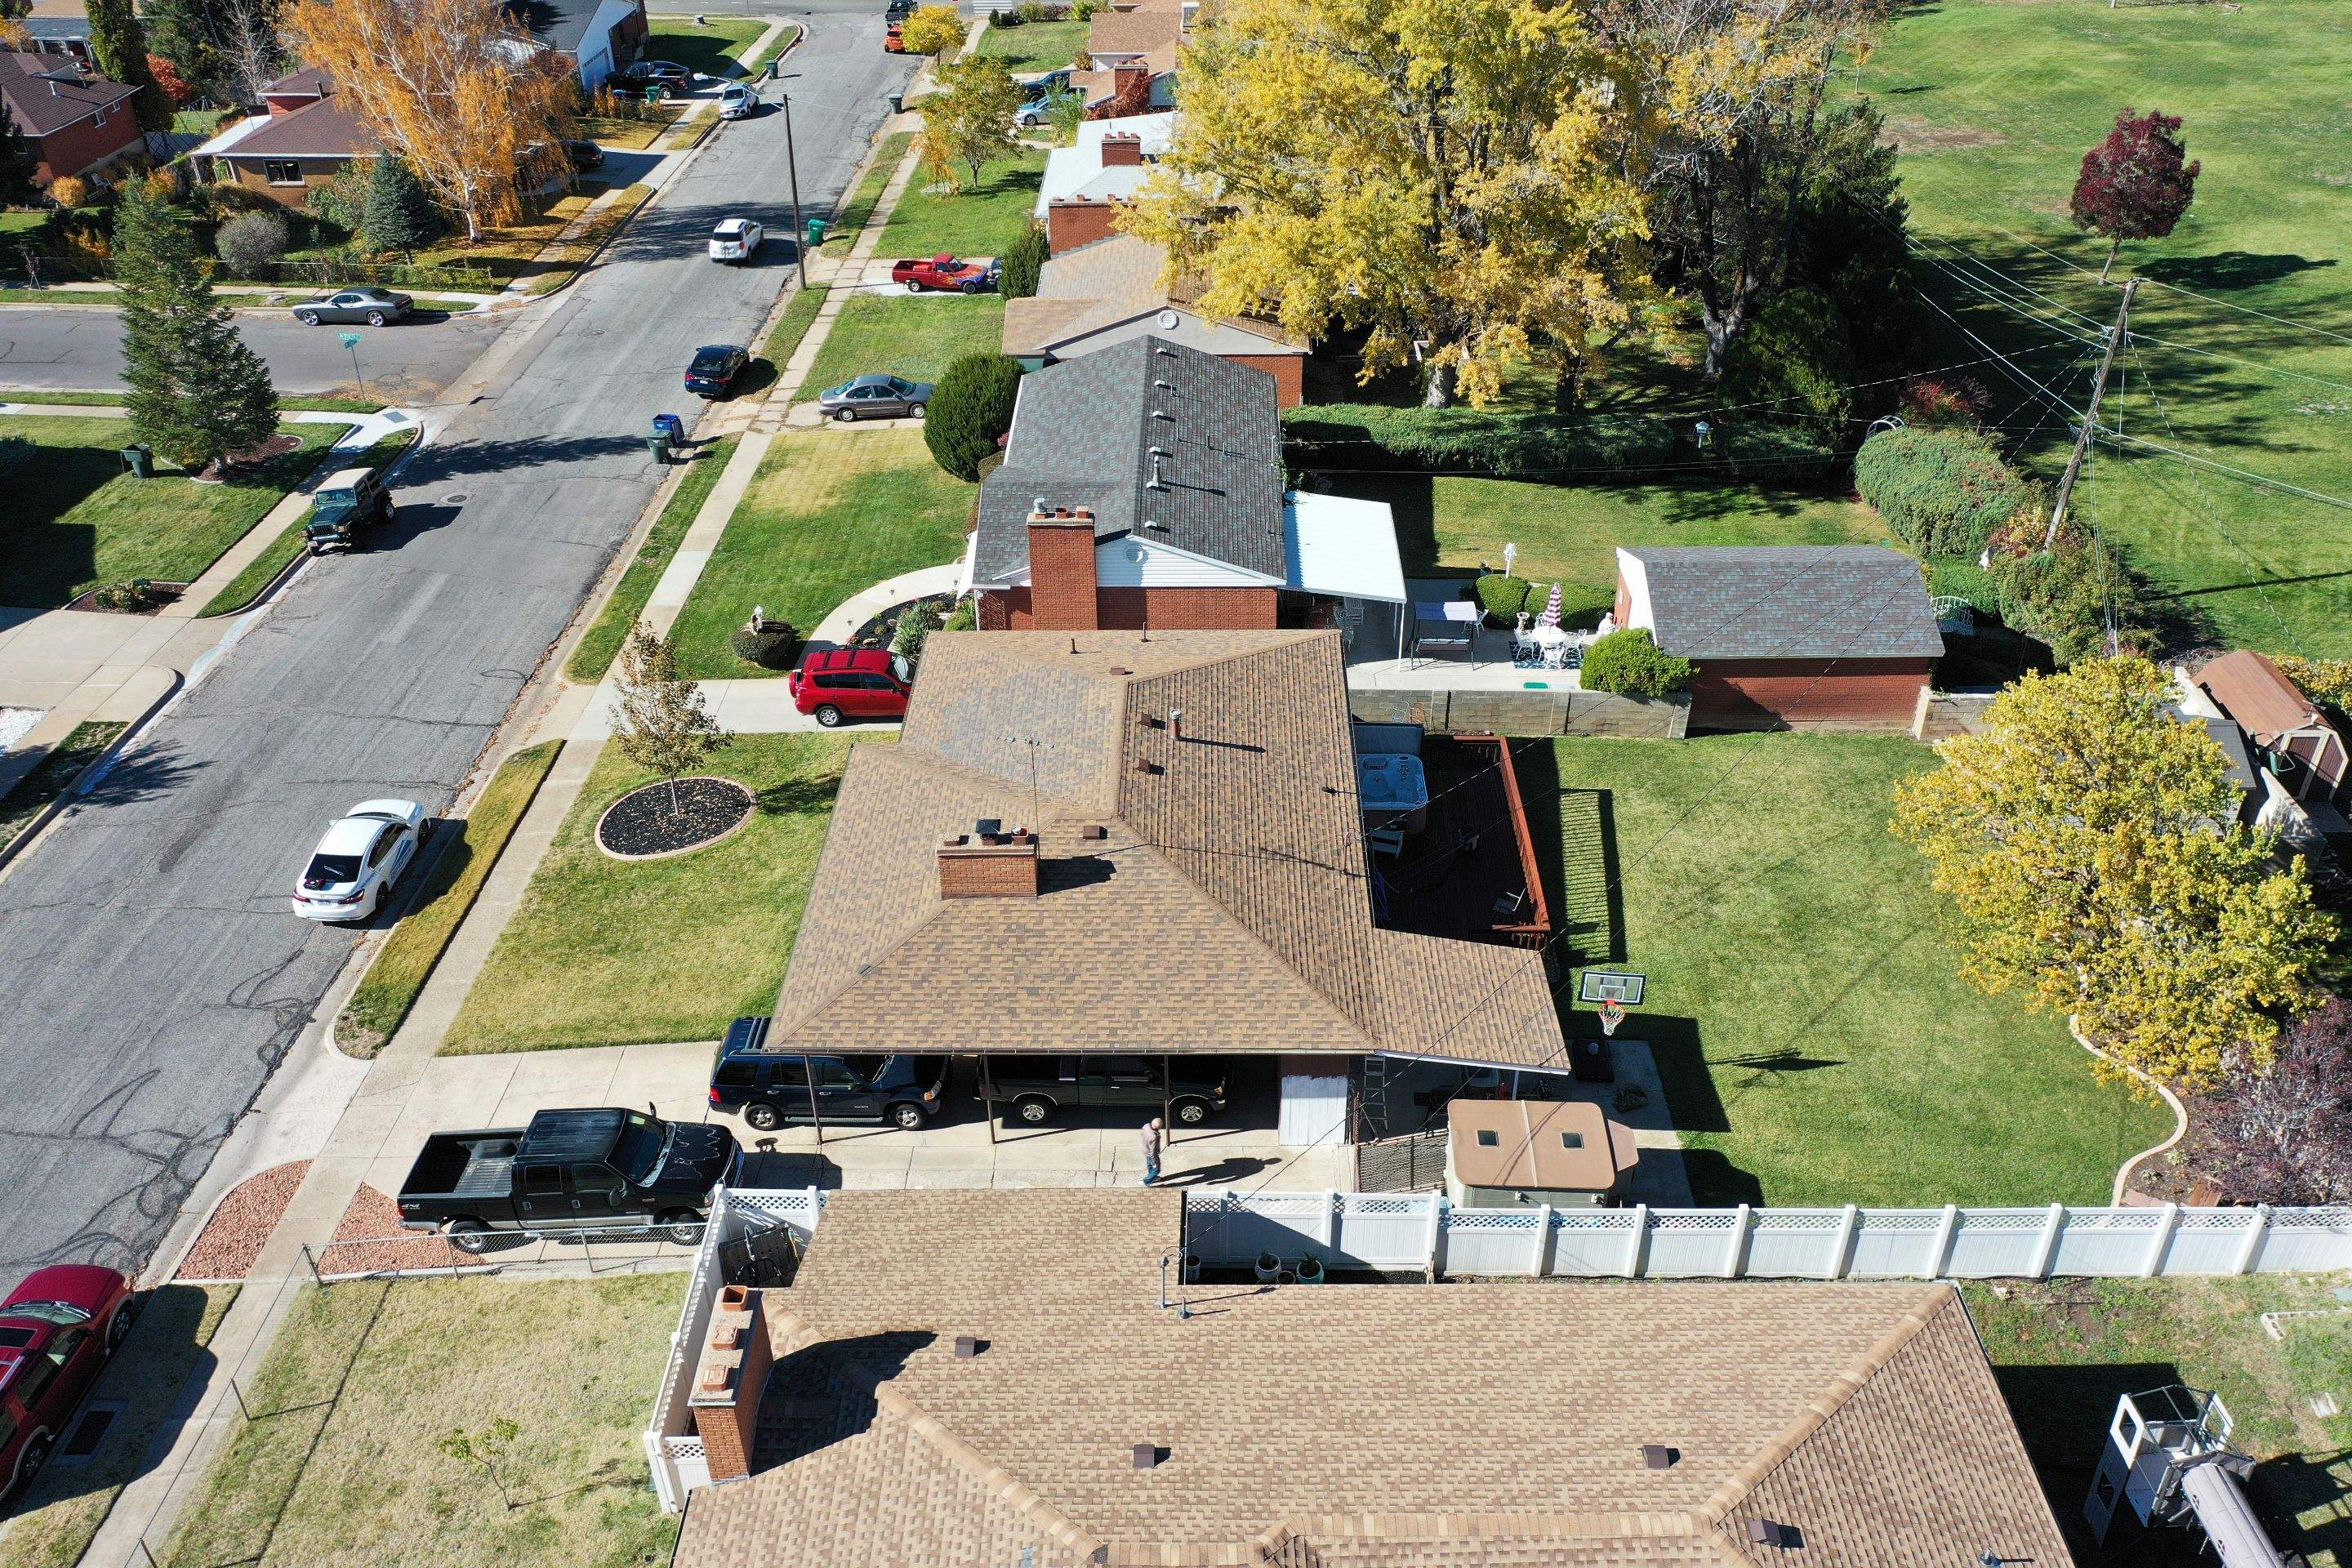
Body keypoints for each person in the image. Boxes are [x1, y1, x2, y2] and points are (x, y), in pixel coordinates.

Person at [1140, 1116, 1164, 1186]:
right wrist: (1155, 1161)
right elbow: (1153, 1151)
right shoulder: (1154, 1136)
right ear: (1157, 1127)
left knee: (1150, 1166)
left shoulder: (1146, 1126)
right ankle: (1146, 1181)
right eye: (1161, 1126)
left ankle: (1153, 1177)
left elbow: (1142, 1133)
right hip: (1151, 1154)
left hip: (1145, 1150)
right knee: (1156, 1169)